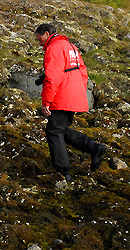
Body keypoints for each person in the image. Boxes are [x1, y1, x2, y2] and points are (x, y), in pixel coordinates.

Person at [34, 23, 105, 181]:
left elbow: (53, 78)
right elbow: (82, 71)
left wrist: (46, 102)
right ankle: (94, 148)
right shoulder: (70, 46)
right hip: (74, 93)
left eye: (39, 39)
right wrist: (80, 90)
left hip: (62, 95)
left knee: (53, 131)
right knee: (60, 129)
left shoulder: (54, 48)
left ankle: (63, 172)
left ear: (46, 34)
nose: (39, 43)